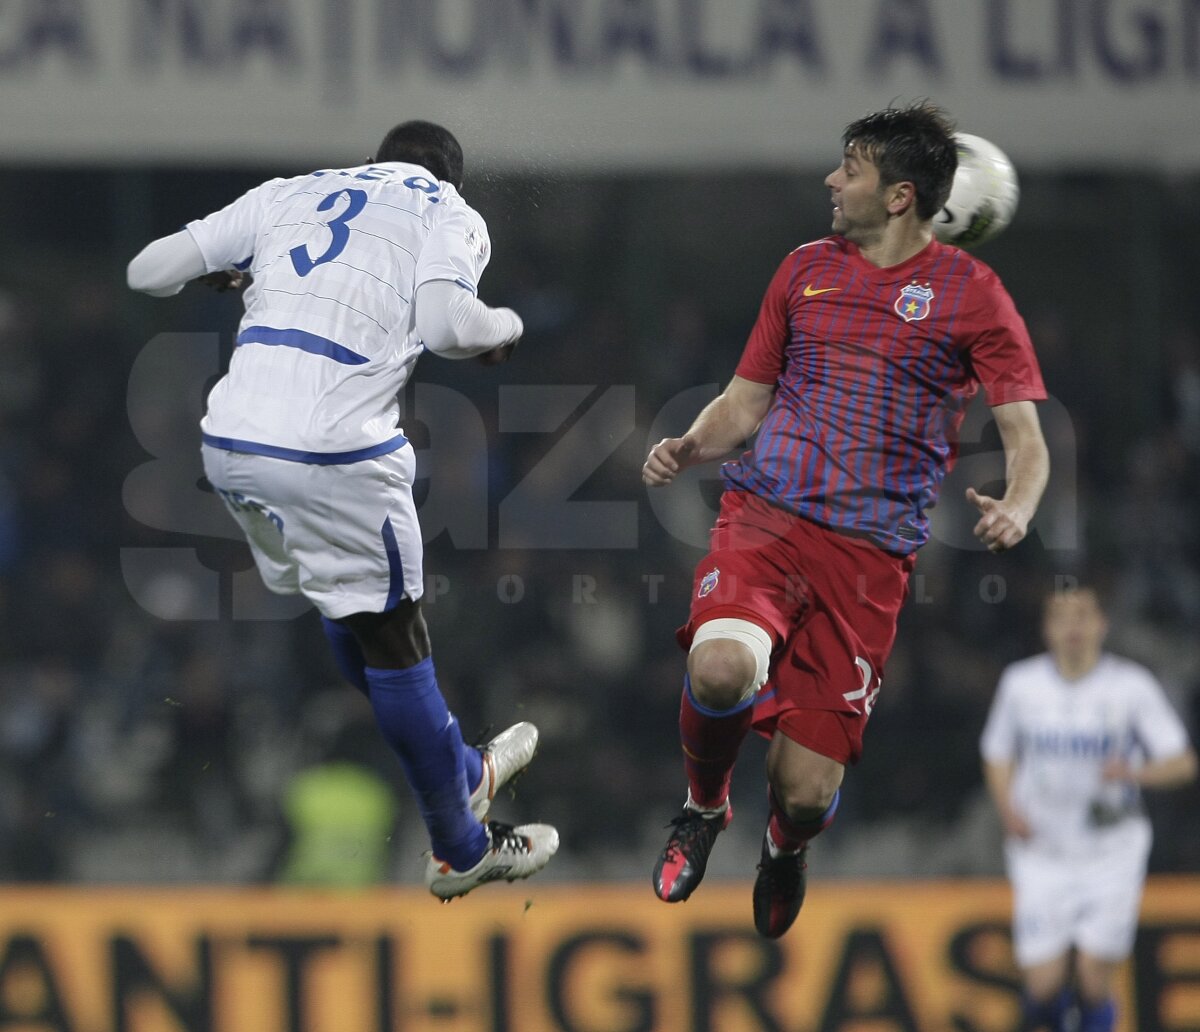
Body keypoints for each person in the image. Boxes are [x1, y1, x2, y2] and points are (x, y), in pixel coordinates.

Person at [642, 101, 1050, 938]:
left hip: (866, 563)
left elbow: (1027, 438)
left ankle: (786, 847)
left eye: (851, 169)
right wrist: (692, 444)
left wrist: (1018, 503)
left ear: (900, 197)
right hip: (765, 520)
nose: (832, 180)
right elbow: (745, 401)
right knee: (720, 668)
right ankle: (704, 808)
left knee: (804, 792)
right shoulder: (803, 270)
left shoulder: (975, 298)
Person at [127, 120, 558, 899]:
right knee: (398, 639)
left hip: (229, 447)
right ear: (449, 179)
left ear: (370, 163)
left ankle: (466, 771)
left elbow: (147, 270)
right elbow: (449, 326)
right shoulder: (447, 211)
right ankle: (460, 846)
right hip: (333, 457)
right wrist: (508, 328)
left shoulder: (290, 193)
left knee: (352, 609)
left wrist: (229, 270)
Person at [981, 586, 1197, 1032]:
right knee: (1042, 985)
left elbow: (1182, 762)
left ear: (1102, 624)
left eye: (1083, 616)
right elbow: (997, 752)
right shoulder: (1021, 684)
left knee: (1093, 976)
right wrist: (1007, 808)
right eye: (1062, 617)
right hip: (1042, 850)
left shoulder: (1131, 686)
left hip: (1110, 850)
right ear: (1046, 629)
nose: (1073, 627)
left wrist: (1135, 772)